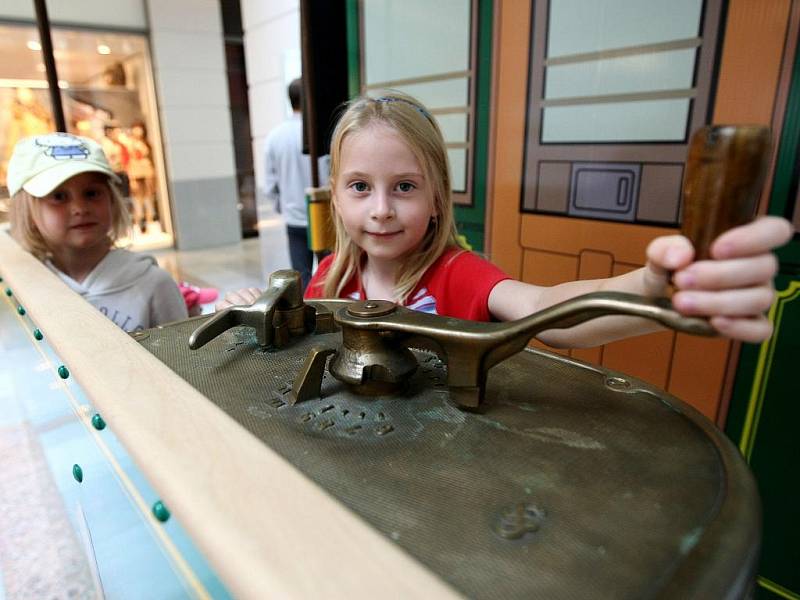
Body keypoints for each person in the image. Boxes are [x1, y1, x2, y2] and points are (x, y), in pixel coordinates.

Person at [219, 93, 793, 346]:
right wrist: (255, 307)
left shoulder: (457, 275)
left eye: (406, 187)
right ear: (337, 199)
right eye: (361, 187)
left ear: (439, 198)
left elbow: (553, 315)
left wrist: (652, 289)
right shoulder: (329, 281)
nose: (383, 208)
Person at [7, 132, 188, 332]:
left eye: (92, 193)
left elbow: (183, 359)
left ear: (112, 200)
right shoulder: (24, 289)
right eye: (59, 196)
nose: (80, 208)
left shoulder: (154, 285)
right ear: (28, 212)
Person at [263, 78, 329, 290]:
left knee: (301, 277)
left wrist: (283, 206)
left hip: (294, 220)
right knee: (330, 273)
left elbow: (269, 185)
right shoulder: (324, 133)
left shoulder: (275, 136)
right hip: (326, 216)